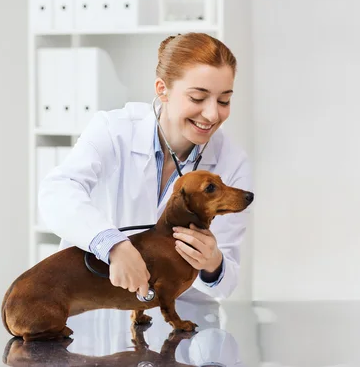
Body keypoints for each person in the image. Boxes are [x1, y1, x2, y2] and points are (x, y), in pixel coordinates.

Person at [38, 32, 252, 303]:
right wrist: (111, 244)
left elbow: (226, 281)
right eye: (198, 98)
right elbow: (57, 193)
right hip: (97, 306)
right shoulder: (113, 130)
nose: (212, 114)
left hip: (182, 322)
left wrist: (212, 262)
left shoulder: (232, 162)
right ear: (162, 89)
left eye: (224, 101)